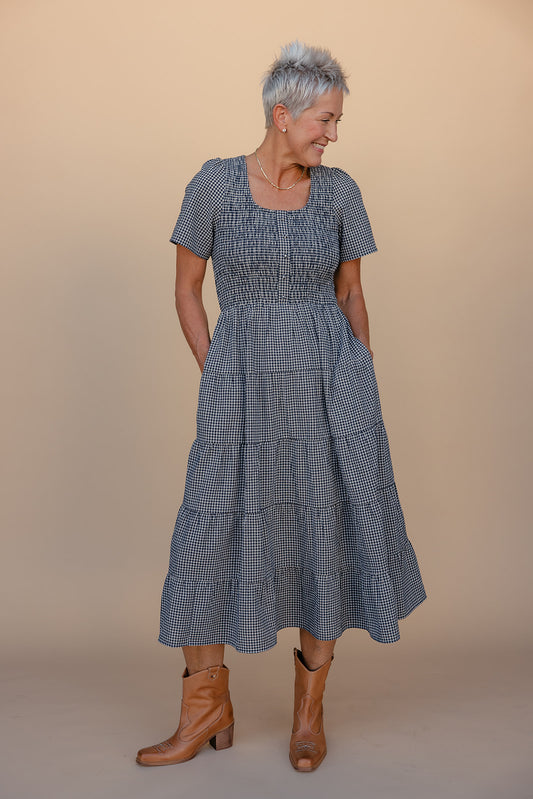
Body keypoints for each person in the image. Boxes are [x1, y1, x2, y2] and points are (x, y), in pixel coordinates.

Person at [136, 40, 427, 773]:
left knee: (322, 531)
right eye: (324, 120)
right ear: (282, 113)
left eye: (334, 121)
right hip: (240, 383)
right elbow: (185, 288)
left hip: (330, 381)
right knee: (207, 535)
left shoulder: (338, 191)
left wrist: (361, 373)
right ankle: (205, 709)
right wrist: (216, 372)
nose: (332, 134)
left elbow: (352, 293)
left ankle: (307, 715)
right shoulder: (212, 185)